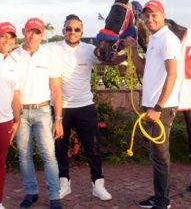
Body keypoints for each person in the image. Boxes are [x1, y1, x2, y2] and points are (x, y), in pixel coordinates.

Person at [125, 0, 181, 209]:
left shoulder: (168, 39)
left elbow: (172, 74)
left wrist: (158, 107)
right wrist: (132, 51)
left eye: (154, 15)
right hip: (152, 106)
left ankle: (163, 201)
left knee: (160, 156)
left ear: (163, 15)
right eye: (146, 16)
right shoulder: (155, 38)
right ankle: (159, 196)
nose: (150, 20)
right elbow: (143, 69)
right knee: (156, 156)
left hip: (161, 109)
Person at [52, 14, 111, 201]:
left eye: (76, 29)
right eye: (69, 29)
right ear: (63, 31)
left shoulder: (89, 49)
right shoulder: (52, 49)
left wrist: (125, 49)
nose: (72, 32)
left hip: (85, 106)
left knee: (93, 147)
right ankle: (64, 184)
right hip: (62, 108)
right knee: (60, 147)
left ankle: (98, 185)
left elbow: (109, 60)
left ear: (82, 32)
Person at [11, 17, 63, 209]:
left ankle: (54, 196)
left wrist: (58, 118)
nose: (32, 36)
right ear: (24, 31)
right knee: (24, 155)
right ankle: (31, 192)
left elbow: (57, 90)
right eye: (30, 31)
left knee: (49, 154)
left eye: (37, 32)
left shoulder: (49, 56)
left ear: (42, 35)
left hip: (42, 111)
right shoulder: (14, 56)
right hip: (21, 113)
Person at [0, 22, 21, 209]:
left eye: (11, 37)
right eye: (3, 36)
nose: (7, 40)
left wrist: (17, 121)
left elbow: (15, 95)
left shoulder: (15, 64)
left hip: (5, 122)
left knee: (0, 164)